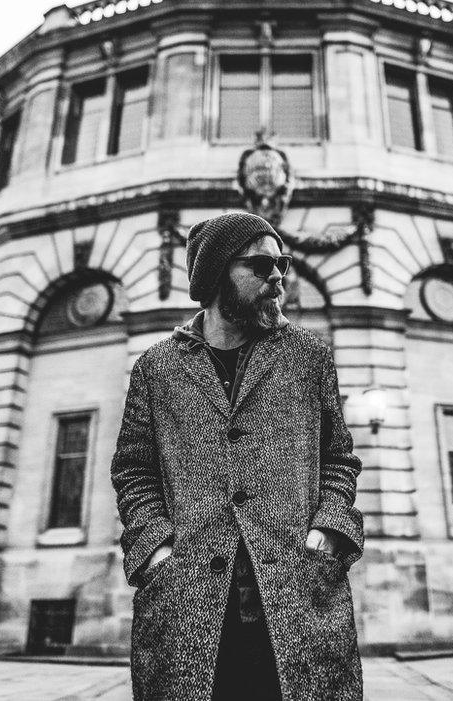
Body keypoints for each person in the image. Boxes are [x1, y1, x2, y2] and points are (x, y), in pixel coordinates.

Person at [111, 211, 365, 701]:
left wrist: (328, 532)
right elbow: (133, 471)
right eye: (260, 265)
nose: (277, 277)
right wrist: (156, 551)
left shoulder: (308, 356)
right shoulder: (156, 368)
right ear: (214, 275)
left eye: (282, 264)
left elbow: (338, 458)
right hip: (190, 598)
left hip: (296, 592)